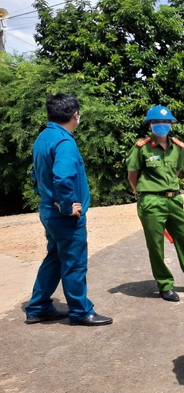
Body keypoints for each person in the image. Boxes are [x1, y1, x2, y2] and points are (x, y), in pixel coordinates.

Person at [25, 93, 113, 327]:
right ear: (75, 114)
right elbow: (63, 178)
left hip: (48, 211)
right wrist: (65, 205)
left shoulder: (44, 137)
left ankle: (38, 307)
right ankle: (81, 311)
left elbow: (36, 174)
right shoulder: (64, 142)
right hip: (64, 216)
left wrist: (48, 198)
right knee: (74, 263)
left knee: (54, 259)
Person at [126, 105, 184, 302]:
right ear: (150, 124)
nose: (162, 125)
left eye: (166, 122)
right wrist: (141, 191)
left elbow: (177, 172)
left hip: (174, 199)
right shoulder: (141, 148)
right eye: (158, 122)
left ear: (171, 124)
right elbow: (132, 174)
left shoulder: (178, 147)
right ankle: (165, 284)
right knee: (156, 246)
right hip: (151, 200)